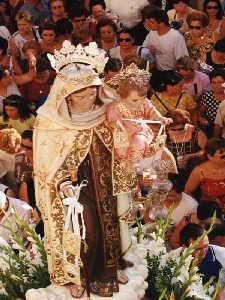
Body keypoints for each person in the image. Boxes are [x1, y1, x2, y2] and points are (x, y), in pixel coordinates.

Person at [34, 41, 135, 298]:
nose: (89, 97)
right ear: (65, 95)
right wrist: (63, 184)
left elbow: (124, 145)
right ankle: (76, 277)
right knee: (85, 232)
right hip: (74, 190)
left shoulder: (105, 113)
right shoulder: (50, 122)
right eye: (80, 94)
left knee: (108, 226)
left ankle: (108, 271)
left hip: (106, 182)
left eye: (92, 91)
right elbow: (46, 166)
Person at [142, 6, 188, 71]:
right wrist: (148, 50)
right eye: (147, 21)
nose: (148, 24)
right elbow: (142, 50)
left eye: (152, 22)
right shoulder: (152, 33)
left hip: (173, 73)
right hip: (156, 71)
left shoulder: (176, 36)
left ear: (161, 22)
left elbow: (183, 61)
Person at [185, 138, 225, 213]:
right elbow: (187, 192)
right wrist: (198, 207)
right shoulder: (199, 171)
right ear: (210, 156)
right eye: (223, 157)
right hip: (210, 213)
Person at [200, 68, 225, 137]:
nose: (216, 85)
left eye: (220, 82)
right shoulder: (208, 95)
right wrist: (202, 119)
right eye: (213, 82)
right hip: (210, 127)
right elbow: (200, 113)